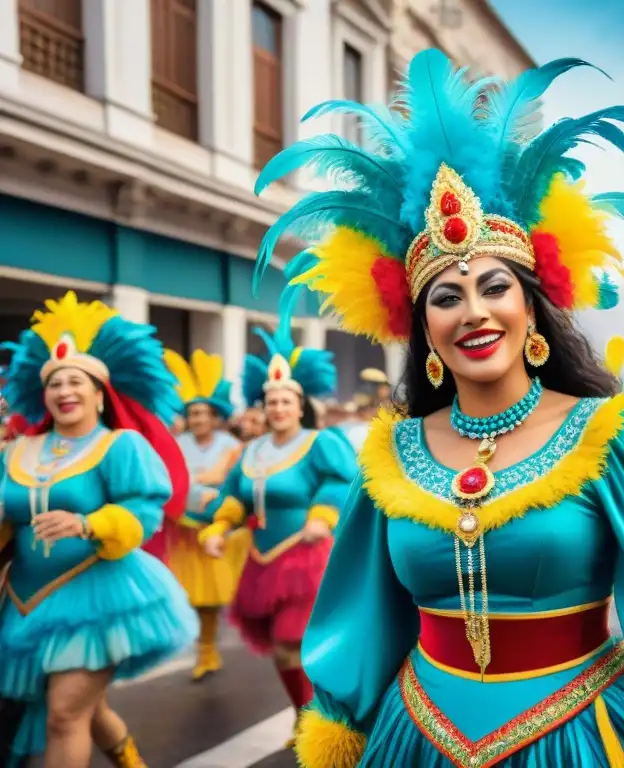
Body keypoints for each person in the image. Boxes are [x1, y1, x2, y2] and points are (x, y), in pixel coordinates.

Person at [254, 48, 624, 768]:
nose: (474, 312)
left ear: (532, 310)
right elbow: (362, 618)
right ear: (423, 329)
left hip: (582, 735)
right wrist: (340, 733)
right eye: (445, 296)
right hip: (419, 740)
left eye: (495, 288)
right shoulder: (390, 459)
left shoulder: (617, 438)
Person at [0, 291, 196, 768]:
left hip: (100, 597)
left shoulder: (120, 446)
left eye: (76, 381)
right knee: (82, 706)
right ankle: (129, 758)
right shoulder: (18, 449)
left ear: (98, 392)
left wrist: (88, 523)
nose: (65, 390)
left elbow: (147, 508)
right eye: (55, 383)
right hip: (23, 600)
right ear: (43, 394)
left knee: (65, 715)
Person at [194, 285, 358, 739]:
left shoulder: (319, 442)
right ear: (263, 407)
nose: (278, 407)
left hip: (309, 557)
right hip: (264, 559)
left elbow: (338, 482)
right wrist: (219, 528)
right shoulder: (253, 450)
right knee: (286, 650)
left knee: (293, 644)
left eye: (286, 400)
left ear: (300, 405)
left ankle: (314, 722)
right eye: (271, 401)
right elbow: (235, 496)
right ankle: (309, 714)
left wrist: (320, 517)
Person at [163, 349, 249, 681]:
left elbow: (230, 483)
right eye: (193, 413)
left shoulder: (230, 445)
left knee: (210, 597)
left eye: (203, 413)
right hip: (182, 530)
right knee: (189, 595)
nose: (198, 419)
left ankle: (208, 651)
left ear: (215, 416)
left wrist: (210, 484)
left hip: (214, 530)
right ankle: (200, 649)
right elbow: (170, 480)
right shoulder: (177, 443)